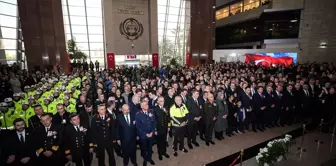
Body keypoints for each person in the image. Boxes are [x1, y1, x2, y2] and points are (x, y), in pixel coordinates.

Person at [135, 100, 156, 166]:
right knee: (143, 148)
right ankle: (145, 159)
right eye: (144, 105)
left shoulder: (151, 111)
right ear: (141, 106)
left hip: (151, 134)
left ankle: (149, 158)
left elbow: (154, 122)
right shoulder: (138, 114)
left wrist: (152, 132)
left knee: (150, 148)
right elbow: (138, 126)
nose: (146, 105)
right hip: (143, 136)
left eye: (147, 104)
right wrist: (145, 134)